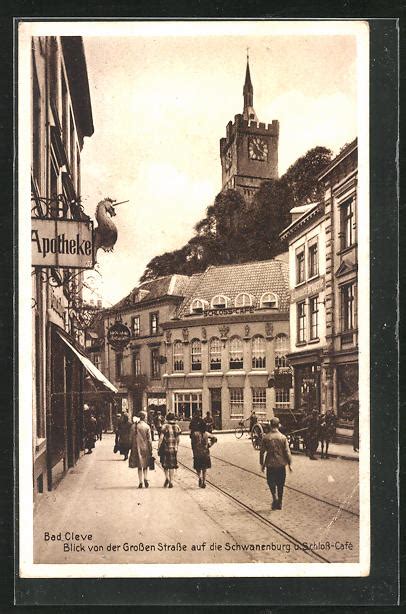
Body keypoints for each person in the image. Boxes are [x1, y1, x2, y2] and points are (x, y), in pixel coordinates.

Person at [260, 417, 292, 510]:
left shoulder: (266, 437)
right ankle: (280, 502)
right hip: (281, 464)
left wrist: (262, 464)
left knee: (271, 482)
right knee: (280, 484)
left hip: (270, 464)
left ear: (270, 425)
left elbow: (262, 452)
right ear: (278, 425)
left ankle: (274, 497)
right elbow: (287, 452)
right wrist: (289, 464)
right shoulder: (283, 437)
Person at [128, 411, 153, 488]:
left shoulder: (134, 426)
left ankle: (140, 481)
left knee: (139, 466)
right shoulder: (147, 426)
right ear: (144, 417)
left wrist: (131, 446)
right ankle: (145, 478)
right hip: (145, 448)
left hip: (136, 448)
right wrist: (151, 449)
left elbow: (130, 438)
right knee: (145, 465)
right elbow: (149, 440)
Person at [191, 418, 216, 488]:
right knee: (204, 468)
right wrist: (209, 445)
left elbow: (193, 444)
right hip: (205, 453)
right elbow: (214, 439)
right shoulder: (206, 434)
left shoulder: (195, 434)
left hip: (197, 453)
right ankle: (204, 481)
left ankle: (199, 478)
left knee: (198, 468)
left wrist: (194, 451)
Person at [158, 412, 181, 488]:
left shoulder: (165, 426)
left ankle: (167, 478)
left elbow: (161, 438)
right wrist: (176, 446)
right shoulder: (177, 426)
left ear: (167, 418)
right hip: (173, 448)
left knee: (165, 464)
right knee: (172, 465)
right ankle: (171, 481)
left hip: (165, 448)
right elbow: (178, 439)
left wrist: (158, 447)